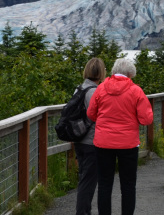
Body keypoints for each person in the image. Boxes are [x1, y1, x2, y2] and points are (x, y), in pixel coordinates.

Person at [87, 58, 154, 215]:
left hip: (103, 142)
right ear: (130, 74)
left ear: (113, 71)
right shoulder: (136, 91)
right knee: (128, 185)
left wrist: (105, 124)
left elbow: (91, 113)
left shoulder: (101, 88)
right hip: (128, 144)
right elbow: (146, 119)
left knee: (104, 183)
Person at [75, 58, 107, 215]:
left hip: (79, 140)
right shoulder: (96, 92)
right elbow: (99, 116)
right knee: (88, 182)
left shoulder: (79, 89)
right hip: (91, 141)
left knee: (83, 178)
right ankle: (83, 212)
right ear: (101, 73)